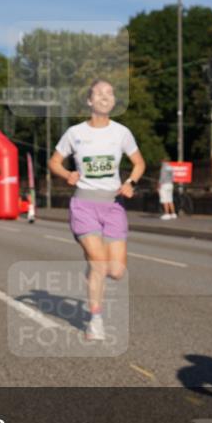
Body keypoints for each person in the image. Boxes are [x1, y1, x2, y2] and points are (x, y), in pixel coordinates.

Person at [48, 79, 145, 341]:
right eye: (99, 93)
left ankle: (93, 272)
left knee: (115, 271)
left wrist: (130, 183)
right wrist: (66, 173)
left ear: (113, 102)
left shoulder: (121, 133)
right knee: (100, 263)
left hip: (113, 206)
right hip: (84, 205)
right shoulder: (75, 133)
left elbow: (138, 163)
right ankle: (96, 319)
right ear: (90, 101)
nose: (105, 97)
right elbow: (54, 162)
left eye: (109, 93)